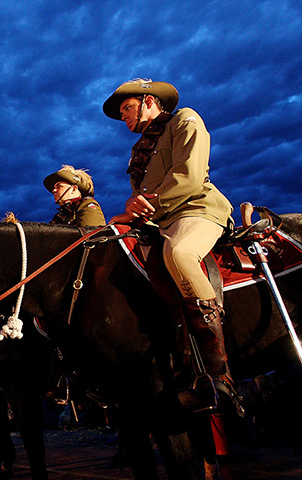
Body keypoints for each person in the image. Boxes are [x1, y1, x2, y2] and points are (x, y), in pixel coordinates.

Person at [103, 78, 235, 409]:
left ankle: (220, 373)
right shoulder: (141, 150)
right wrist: (128, 215)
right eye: (121, 114)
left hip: (196, 209)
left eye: (128, 108)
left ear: (149, 100)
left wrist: (140, 207)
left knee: (180, 253)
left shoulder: (185, 119)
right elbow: (142, 199)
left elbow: (188, 177)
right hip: (158, 222)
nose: (124, 118)